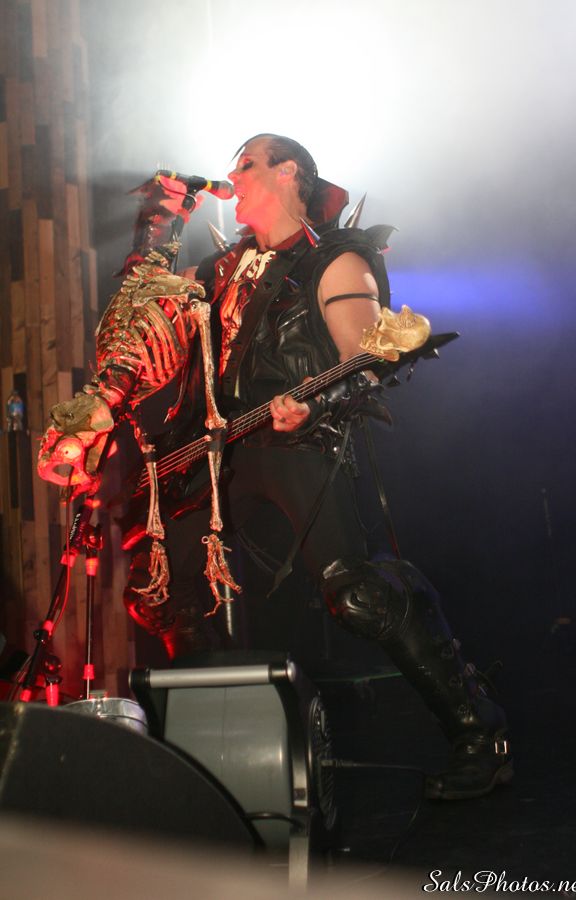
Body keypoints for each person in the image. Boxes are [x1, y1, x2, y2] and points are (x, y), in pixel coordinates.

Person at [38, 134, 512, 801]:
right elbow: (145, 328)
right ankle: (218, 749)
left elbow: (367, 359)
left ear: (289, 172)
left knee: (356, 593)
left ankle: (477, 732)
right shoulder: (217, 271)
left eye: (245, 164)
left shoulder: (336, 259)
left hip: (299, 440)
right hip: (218, 449)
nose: (231, 177)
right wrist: (158, 225)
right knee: (157, 586)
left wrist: (315, 404)